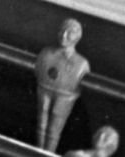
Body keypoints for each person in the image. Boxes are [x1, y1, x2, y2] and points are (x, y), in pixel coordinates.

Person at [35, 17, 90, 151]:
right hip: (45, 90)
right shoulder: (46, 53)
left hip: (65, 97)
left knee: (54, 130)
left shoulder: (81, 63)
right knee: (41, 125)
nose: (64, 35)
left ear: (78, 37)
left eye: (69, 32)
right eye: (62, 31)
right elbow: (38, 70)